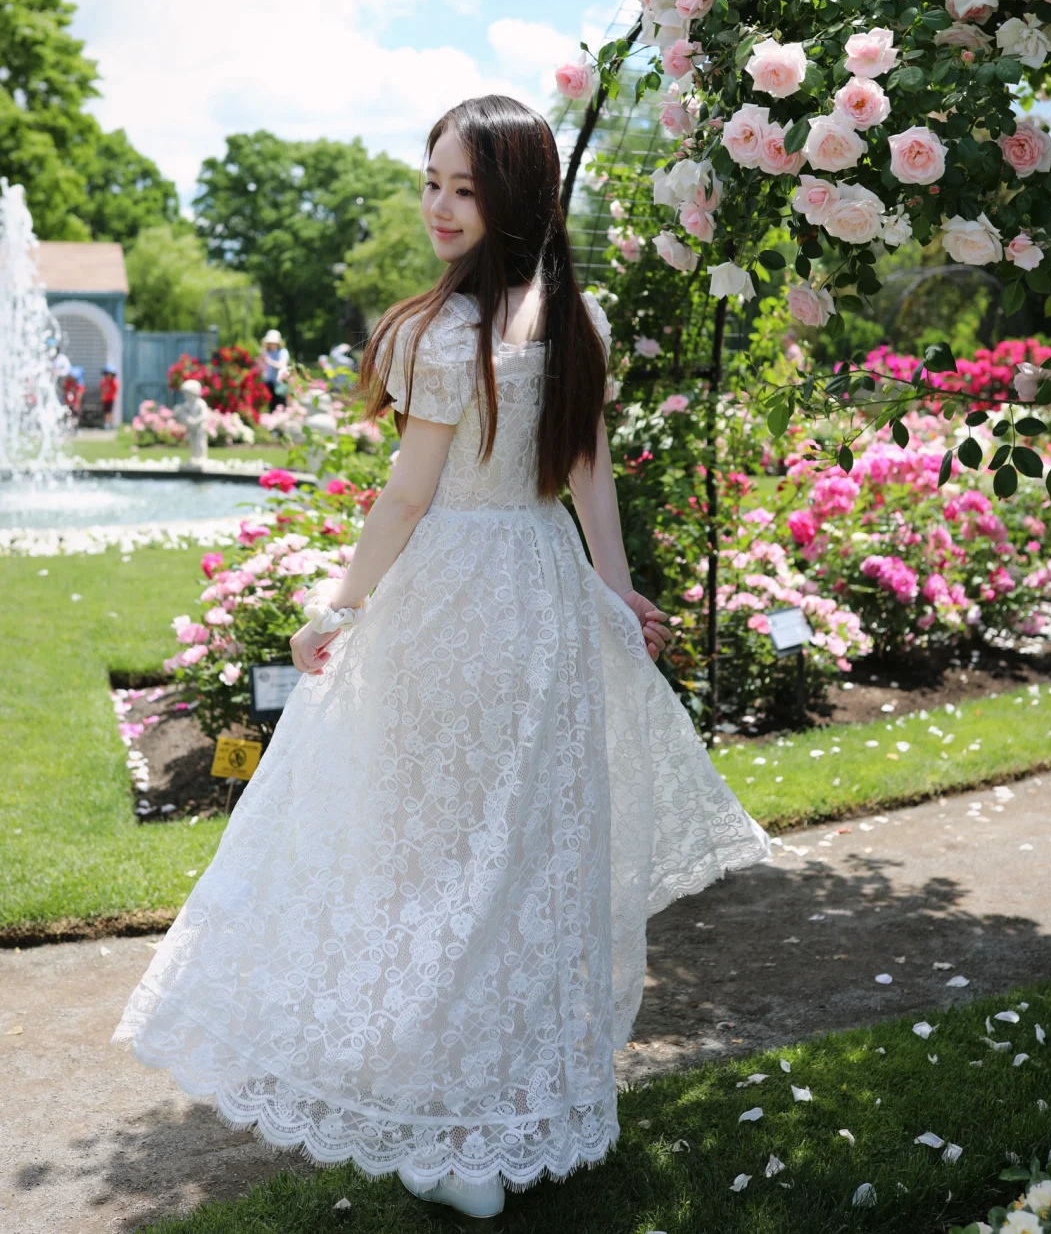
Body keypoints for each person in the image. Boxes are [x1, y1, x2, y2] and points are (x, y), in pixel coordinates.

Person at [113, 95, 771, 1220]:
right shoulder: (545, 317)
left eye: (464, 188)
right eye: (432, 183)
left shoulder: (488, 327)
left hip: (481, 599)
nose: (440, 207)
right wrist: (604, 587)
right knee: (506, 858)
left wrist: (348, 595)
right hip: (521, 597)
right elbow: (581, 475)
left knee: (470, 858)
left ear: (516, 196)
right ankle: (479, 1104)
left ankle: (479, 1113)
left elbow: (470, 484)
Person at [259, 329, 289, 410]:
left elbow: (281, 365)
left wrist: (269, 361)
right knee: (270, 407)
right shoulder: (267, 353)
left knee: (280, 406)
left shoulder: (283, 352)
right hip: (268, 383)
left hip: (279, 385)